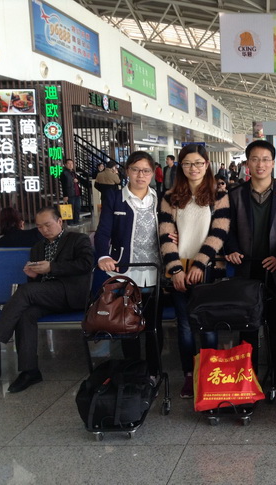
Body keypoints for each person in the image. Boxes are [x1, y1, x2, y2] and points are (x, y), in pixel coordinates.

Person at [0, 207, 94, 391]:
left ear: (59, 221)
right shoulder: (38, 247)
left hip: (71, 294)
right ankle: (29, 371)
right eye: (39, 227)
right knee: (25, 314)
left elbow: (86, 264)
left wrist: (52, 267)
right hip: (48, 296)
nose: (44, 230)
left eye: (47, 225)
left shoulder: (78, 239)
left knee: (25, 291)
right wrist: (32, 275)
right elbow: (38, 283)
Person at [159, 144, 230, 399]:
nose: (194, 168)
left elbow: (220, 232)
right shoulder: (170, 197)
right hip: (179, 269)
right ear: (181, 166)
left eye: (199, 163)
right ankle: (189, 374)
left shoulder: (218, 194)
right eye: (188, 163)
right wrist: (176, 269)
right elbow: (165, 235)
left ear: (207, 165)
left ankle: (209, 373)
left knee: (207, 323)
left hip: (208, 269)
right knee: (185, 325)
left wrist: (200, 263)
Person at [225, 140, 276, 391]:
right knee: (248, 327)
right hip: (246, 268)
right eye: (254, 159)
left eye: (265, 159)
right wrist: (231, 248)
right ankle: (247, 381)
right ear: (247, 164)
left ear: (273, 163)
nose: (260, 164)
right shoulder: (235, 195)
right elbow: (226, 228)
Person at [94, 151, 164, 380]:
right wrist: (103, 256)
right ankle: (133, 374)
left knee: (153, 327)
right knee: (127, 326)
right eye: (135, 170)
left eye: (145, 170)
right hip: (126, 271)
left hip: (155, 271)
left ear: (152, 173)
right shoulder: (115, 198)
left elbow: (170, 227)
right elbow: (103, 232)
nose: (140, 175)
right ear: (127, 172)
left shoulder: (160, 199)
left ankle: (153, 372)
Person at [60, 158, 84, 225]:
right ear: (65, 165)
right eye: (69, 164)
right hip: (69, 194)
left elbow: (77, 181)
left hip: (76, 193)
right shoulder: (64, 173)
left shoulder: (73, 172)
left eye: (72, 163)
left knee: (77, 208)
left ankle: (76, 221)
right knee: (69, 208)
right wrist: (65, 195)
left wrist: (77, 181)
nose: (70, 165)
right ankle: (70, 222)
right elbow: (63, 185)